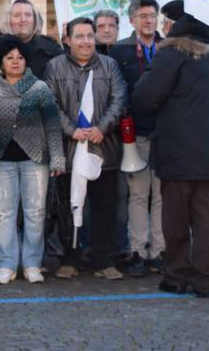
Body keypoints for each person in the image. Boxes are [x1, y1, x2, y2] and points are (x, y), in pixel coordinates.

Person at [132, 12, 209, 297]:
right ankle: (203, 279)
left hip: (178, 154)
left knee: (175, 220)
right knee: (207, 223)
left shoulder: (171, 55)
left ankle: (175, 276)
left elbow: (145, 96)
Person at [0, 35, 65, 284]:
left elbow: (53, 126)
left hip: (36, 160)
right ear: (1, 62)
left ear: (27, 61)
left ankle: (32, 263)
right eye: (10, 57)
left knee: (36, 212)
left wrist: (57, 158)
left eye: (20, 57)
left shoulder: (39, 88)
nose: (15, 61)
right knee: (4, 213)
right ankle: (6, 264)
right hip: (1, 160)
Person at [45, 17, 128, 280]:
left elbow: (120, 100)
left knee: (105, 208)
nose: (86, 41)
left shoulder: (109, 65)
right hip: (69, 151)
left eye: (90, 36)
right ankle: (71, 259)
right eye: (79, 36)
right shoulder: (54, 67)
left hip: (104, 150)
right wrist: (72, 130)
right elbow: (49, 103)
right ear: (67, 40)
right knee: (69, 207)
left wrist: (102, 128)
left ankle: (104, 260)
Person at [109, 0, 164, 277]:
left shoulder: (168, 48)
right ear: (132, 20)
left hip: (165, 133)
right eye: (142, 16)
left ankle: (159, 251)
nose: (148, 20)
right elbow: (117, 91)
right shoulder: (120, 51)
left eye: (152, 15)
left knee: (161, 195)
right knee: (139, 194)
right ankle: (138, 251)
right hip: (136, 133)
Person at [4, 0, 63, 78]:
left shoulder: (51, 48)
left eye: (28, 15)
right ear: (8, 20)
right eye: (16, 15)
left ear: (35, 20)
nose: (23, 20)